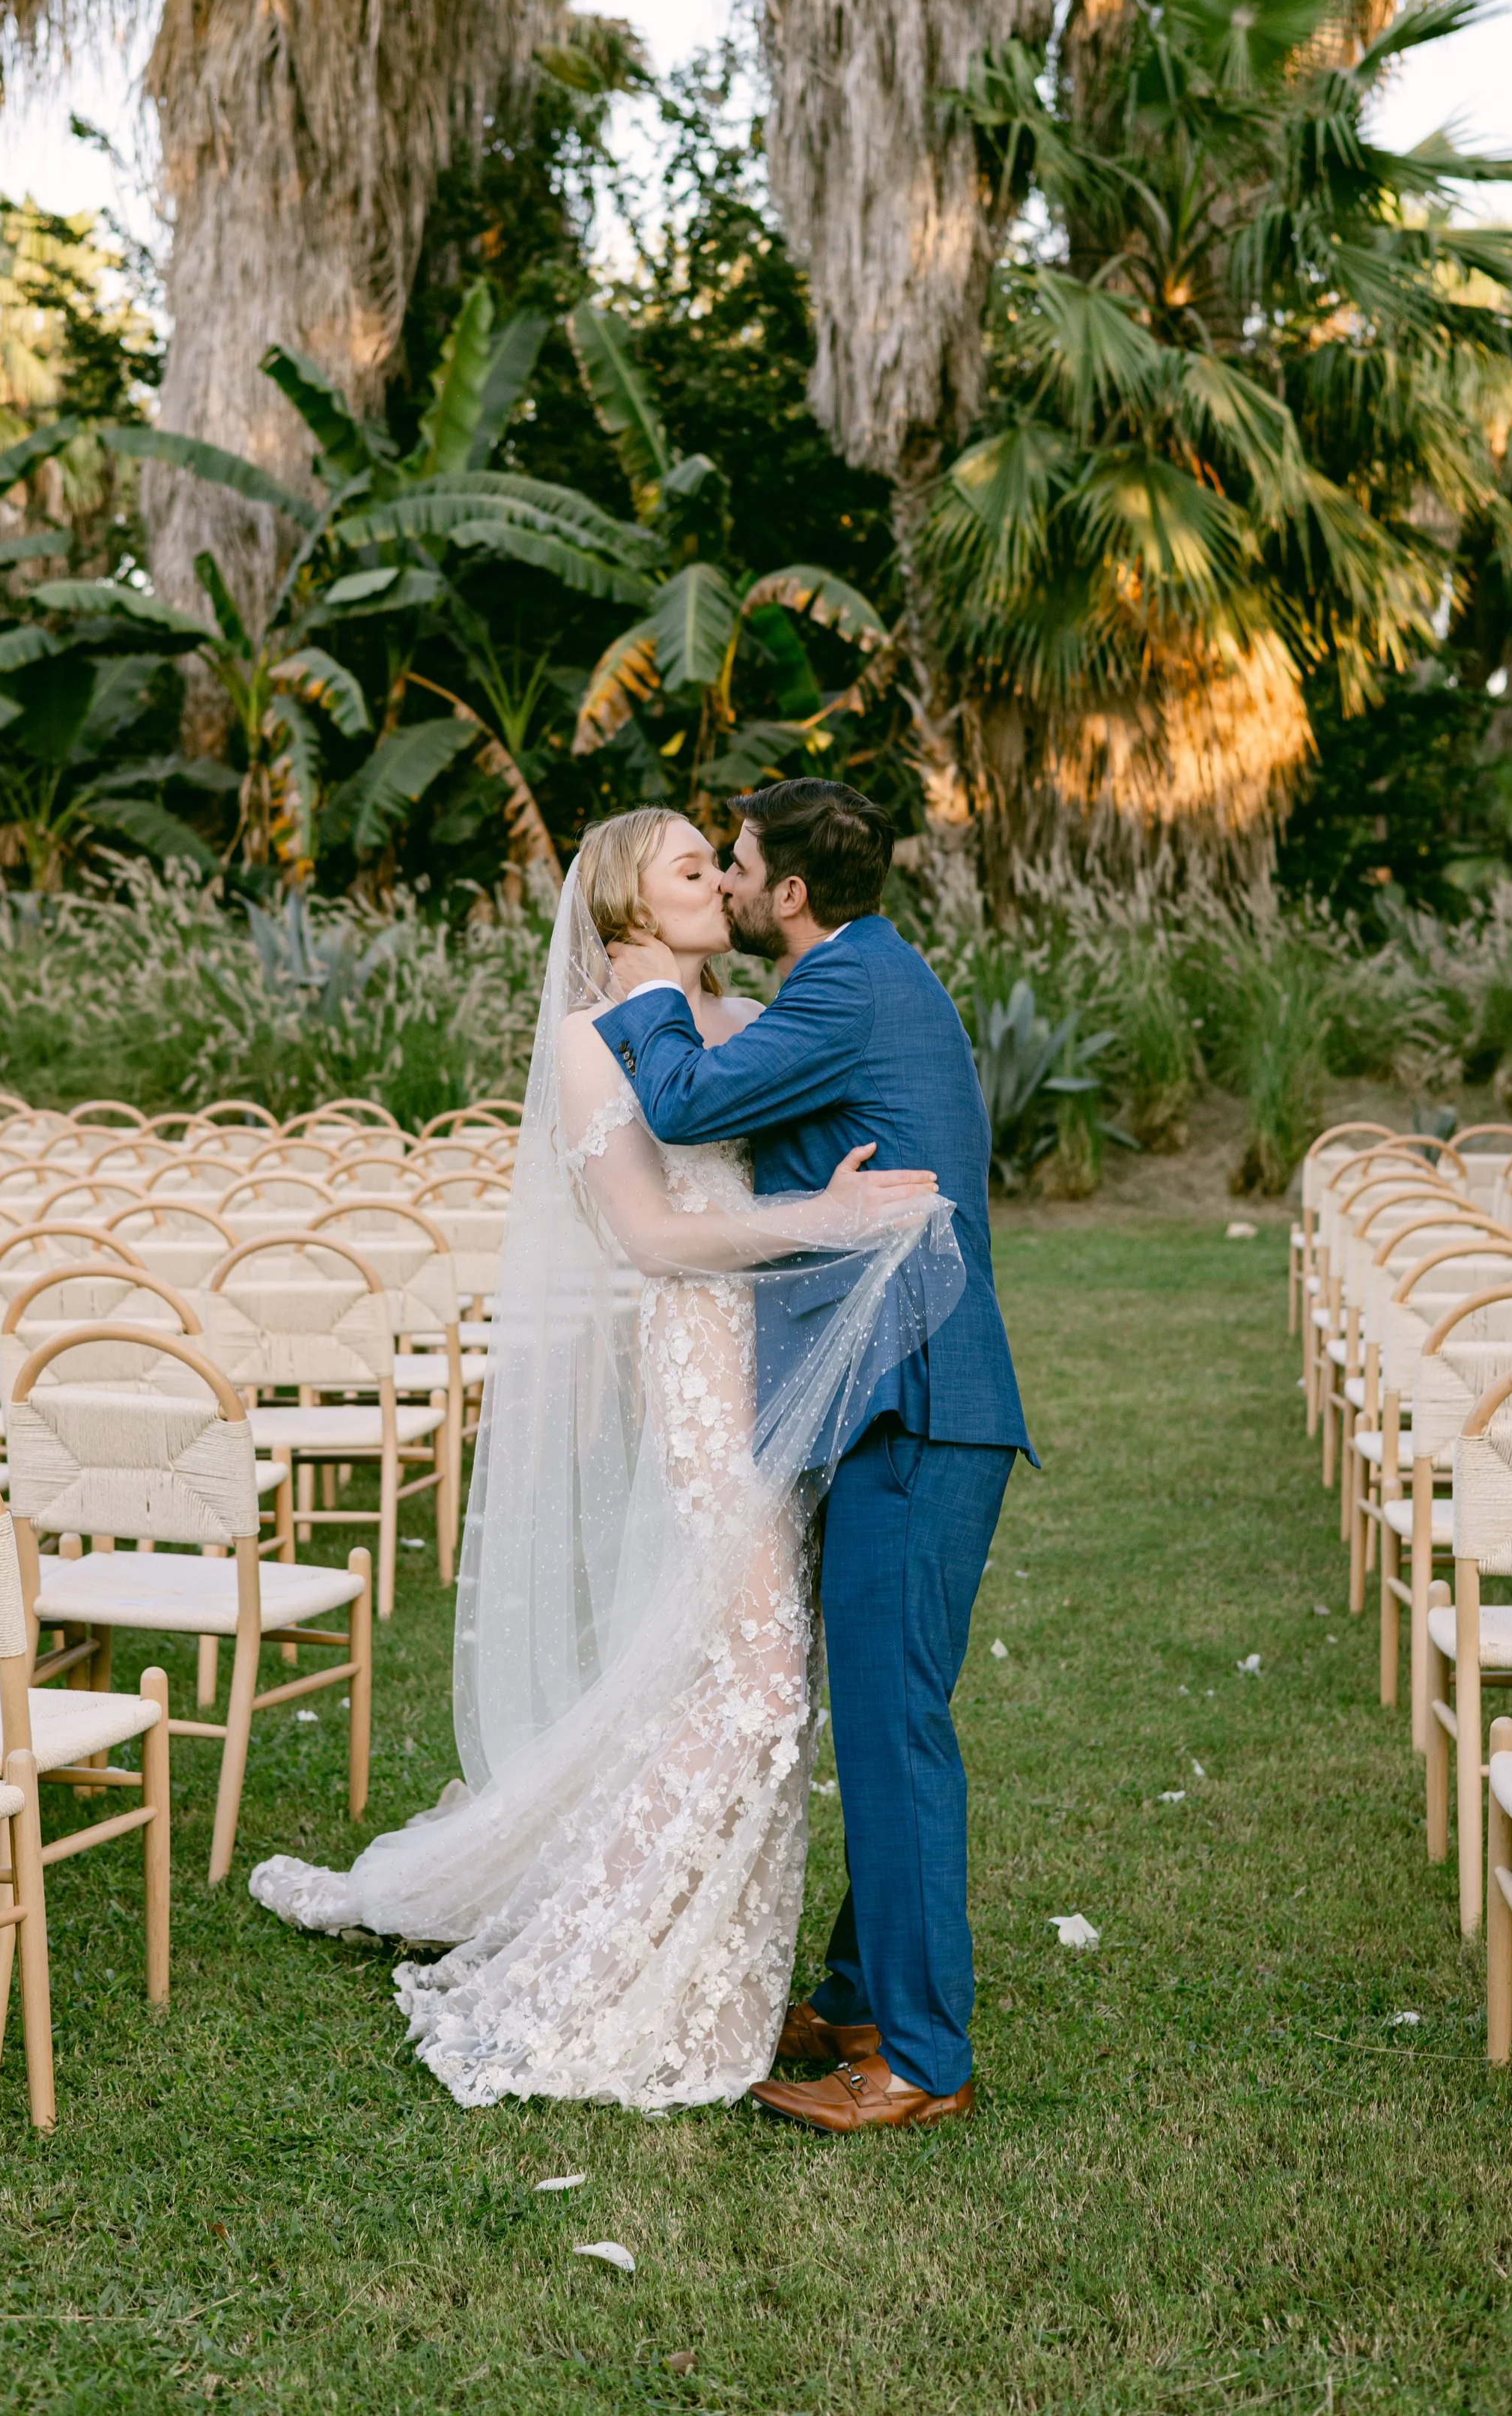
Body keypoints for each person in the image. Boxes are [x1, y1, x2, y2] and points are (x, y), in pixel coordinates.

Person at [249, 805, 957, 2114]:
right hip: (701, 1363)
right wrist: (827, 1215)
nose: (722, 885)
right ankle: (601, 1961)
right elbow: (649, 1235)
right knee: (752, 1677)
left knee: (754, 1671)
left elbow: (785, 1119)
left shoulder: (743, 1028)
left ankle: (731, 1963)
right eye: (695, 868)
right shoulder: (594, 1046)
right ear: (631, 906)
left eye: (723, 863)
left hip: (789, 1367)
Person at [594, 777, 1033, 2134]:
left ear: (789, 894)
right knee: (884, 1719)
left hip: (913, 1406)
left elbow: (674, 1102)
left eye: (734, 866)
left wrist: (637, 980)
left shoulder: (844, 992)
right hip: (897, 1405)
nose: (721, 883)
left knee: (897, 1735)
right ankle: (856, 1998)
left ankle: (917, 2060)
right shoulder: (860, 983)